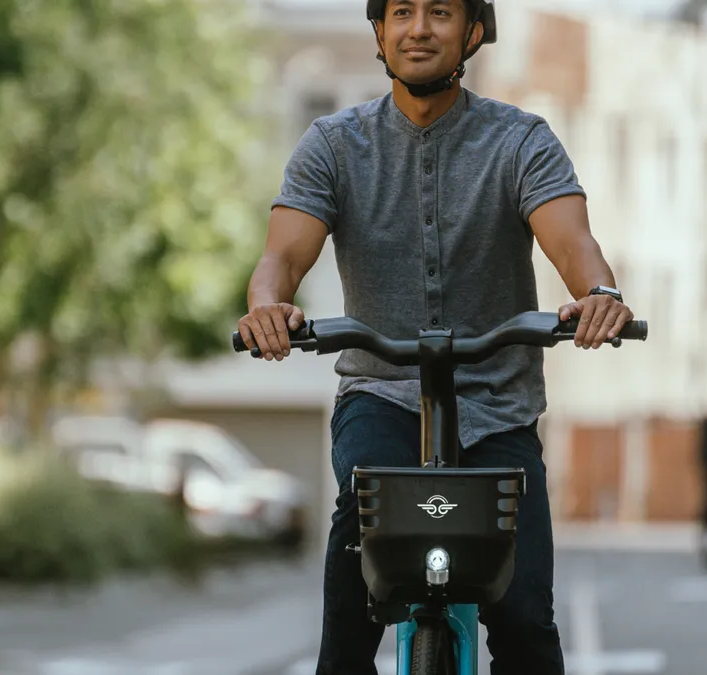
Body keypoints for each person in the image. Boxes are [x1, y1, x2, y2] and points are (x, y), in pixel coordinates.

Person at [236, 0, 634, 672]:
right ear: (380, 32)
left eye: (441, 11)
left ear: (473, 31)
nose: (419, 28)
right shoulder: (334, 145)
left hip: (498, 407)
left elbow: (574, 245)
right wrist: (267, 306)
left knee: (526, 622)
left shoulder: (521, 142)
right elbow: (281, 260)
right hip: (379, 395)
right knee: (350, 597)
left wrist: (599, 296)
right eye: (402, 12)